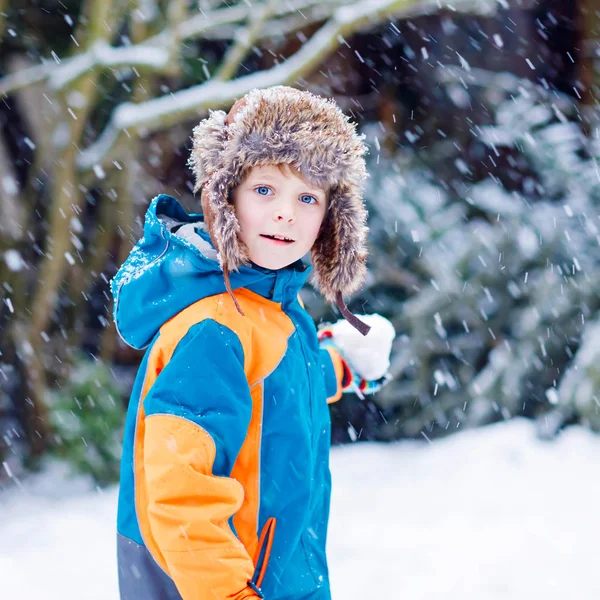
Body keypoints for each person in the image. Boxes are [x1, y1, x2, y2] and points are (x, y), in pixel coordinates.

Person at [111, 86, 395, 600]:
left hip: (280, 576)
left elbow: (271, 392)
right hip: (228, 586)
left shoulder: (268, 306)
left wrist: (341, 363)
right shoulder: (216, 326)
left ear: (332, 219)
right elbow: (181, 491)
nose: (286, 213)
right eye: (265, 189)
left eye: (307, 197)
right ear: (225, 194)